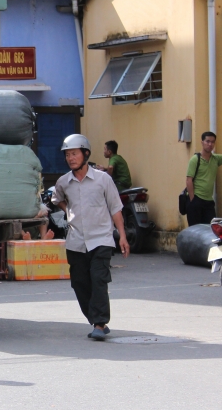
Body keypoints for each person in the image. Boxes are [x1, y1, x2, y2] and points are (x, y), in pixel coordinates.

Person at [52, 134, 130, 341]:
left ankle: (99, 322)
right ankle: (95, 319)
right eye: (68, 155)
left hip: (101, 239)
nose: (71, 158)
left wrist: (122, 236)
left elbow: (116, 209)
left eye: (74, 153)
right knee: (79, 283)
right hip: (76, 241)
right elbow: (57, 199)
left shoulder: (103, 180)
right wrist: (68, 210)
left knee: (98, 279)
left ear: (86, 154)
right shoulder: (63, 182)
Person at [186, 131, 222, 226]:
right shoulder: (195, 159)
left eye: (212, 142)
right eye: (207, 141)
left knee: (211, 228)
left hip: (208, 201)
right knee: (195, 230)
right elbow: (189, 180)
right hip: (196, 200)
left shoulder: (216, 159)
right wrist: (193, 200)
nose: (210, 144)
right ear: (202, 142)